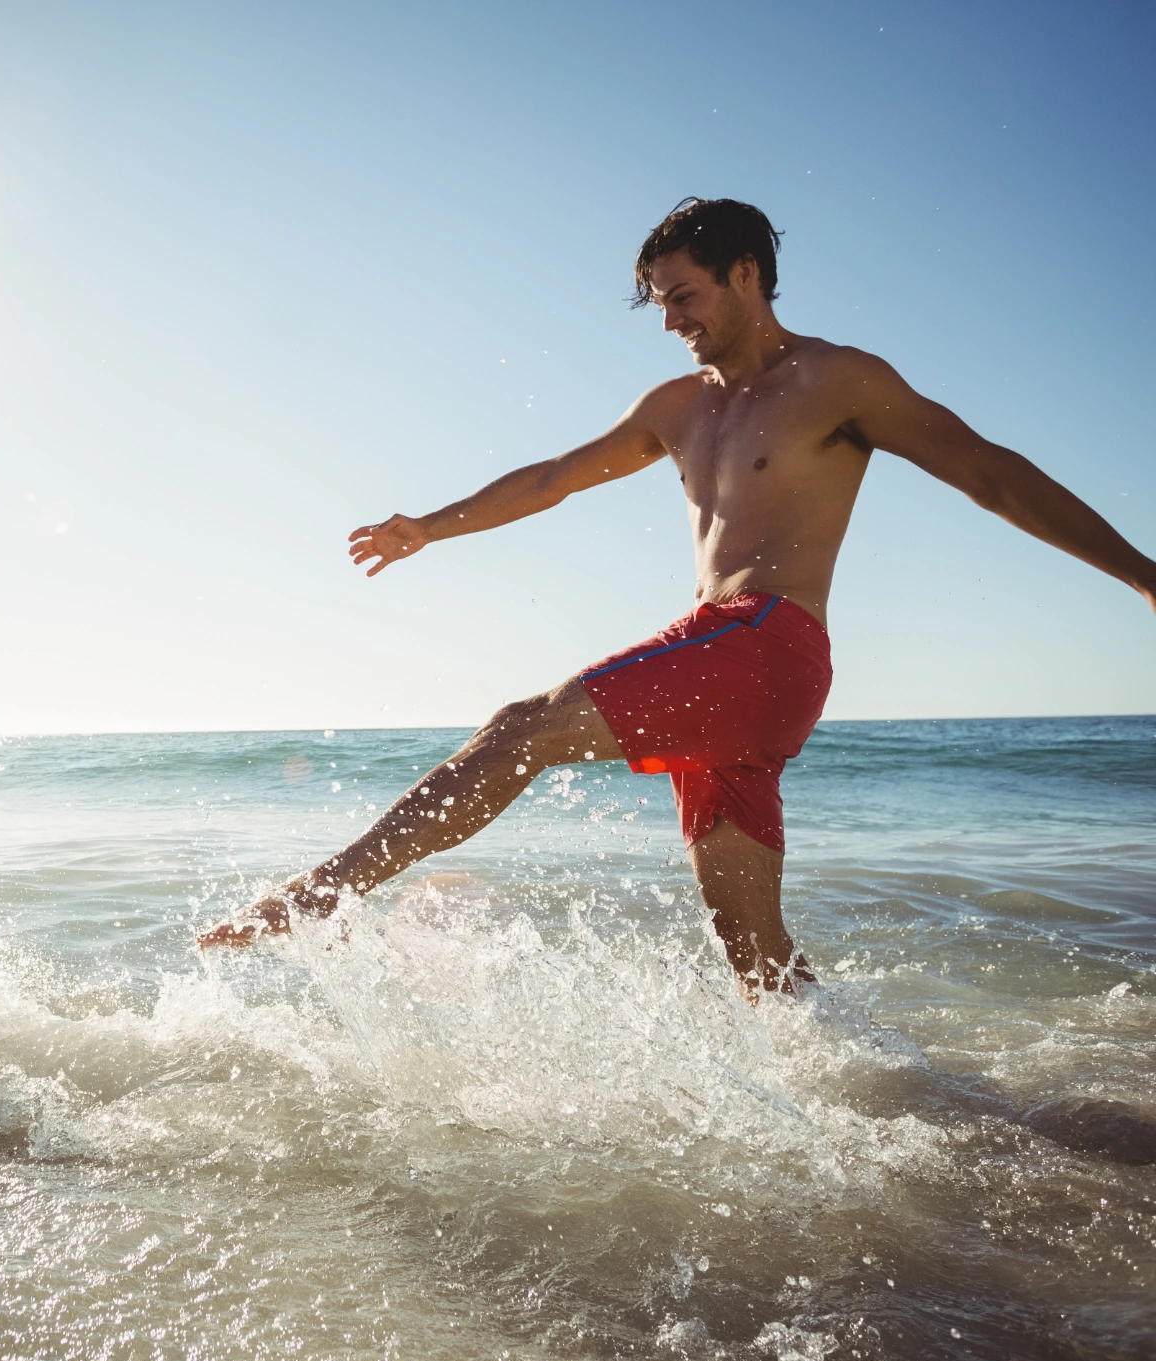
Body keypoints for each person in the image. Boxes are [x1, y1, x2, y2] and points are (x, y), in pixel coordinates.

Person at [201, 198, 1156, 997]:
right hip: (713, 656)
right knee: (759, 968)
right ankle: (903, 1110)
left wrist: (1144, 580)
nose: (670, 319)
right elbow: (552, 479)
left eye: (684, 295)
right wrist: (427, 527)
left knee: (518, 729)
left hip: (770, 640)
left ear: (747, 274)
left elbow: (990, 473)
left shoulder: (837, 380)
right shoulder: (676, 407)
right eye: (659, 302)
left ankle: (321, 894)